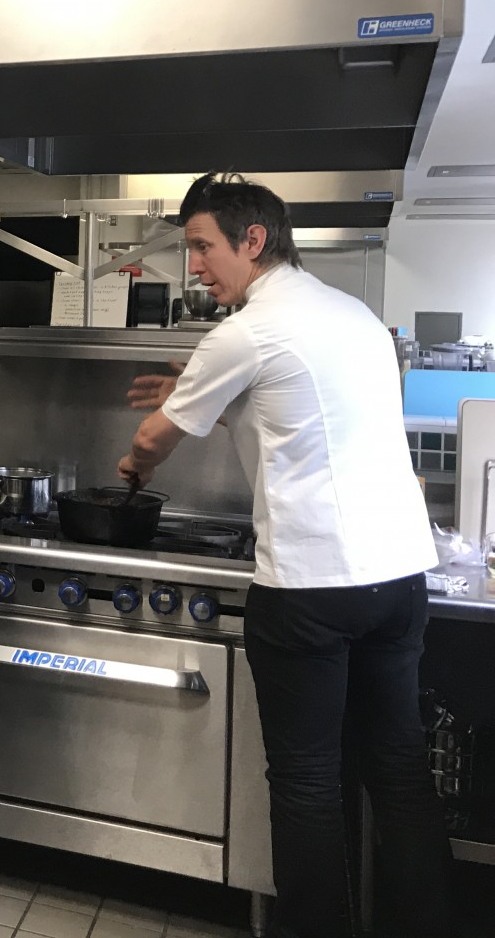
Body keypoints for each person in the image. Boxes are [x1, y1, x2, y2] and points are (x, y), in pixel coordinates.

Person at [117, 173, 449, 938]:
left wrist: (136, 471)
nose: (195, 265)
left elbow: (151, 440)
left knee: (306, 784)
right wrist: (188, 387)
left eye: (202, 246)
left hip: (309, 588)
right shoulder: (355, 315)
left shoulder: (247, 330)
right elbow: (304, 403)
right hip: (398, 578)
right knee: (397, 770)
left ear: (254, 240)